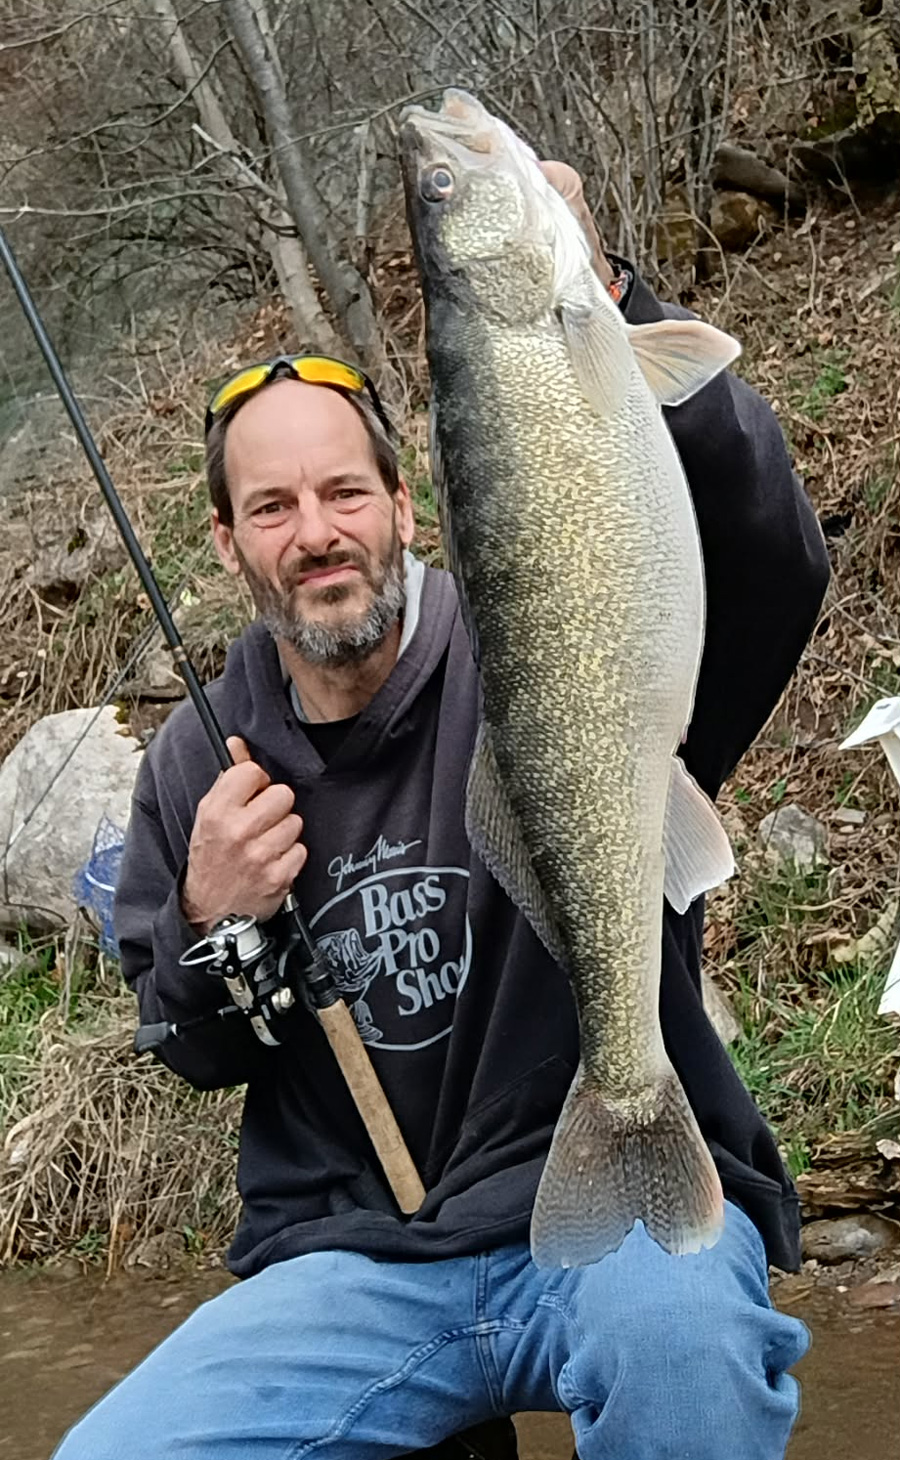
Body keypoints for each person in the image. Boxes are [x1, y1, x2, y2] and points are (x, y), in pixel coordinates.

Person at [54, 164, 829, 1460]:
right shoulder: (202, 760)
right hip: (359, 1259)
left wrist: (609, 295)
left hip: (613, 1212)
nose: (317, 531)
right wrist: (204, 920)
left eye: (345, 492)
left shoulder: (552, 640)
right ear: (229, 540)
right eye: (273, 507)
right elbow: (192, 1046)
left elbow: (772, 557)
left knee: (684, 1353)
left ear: (406, 503)